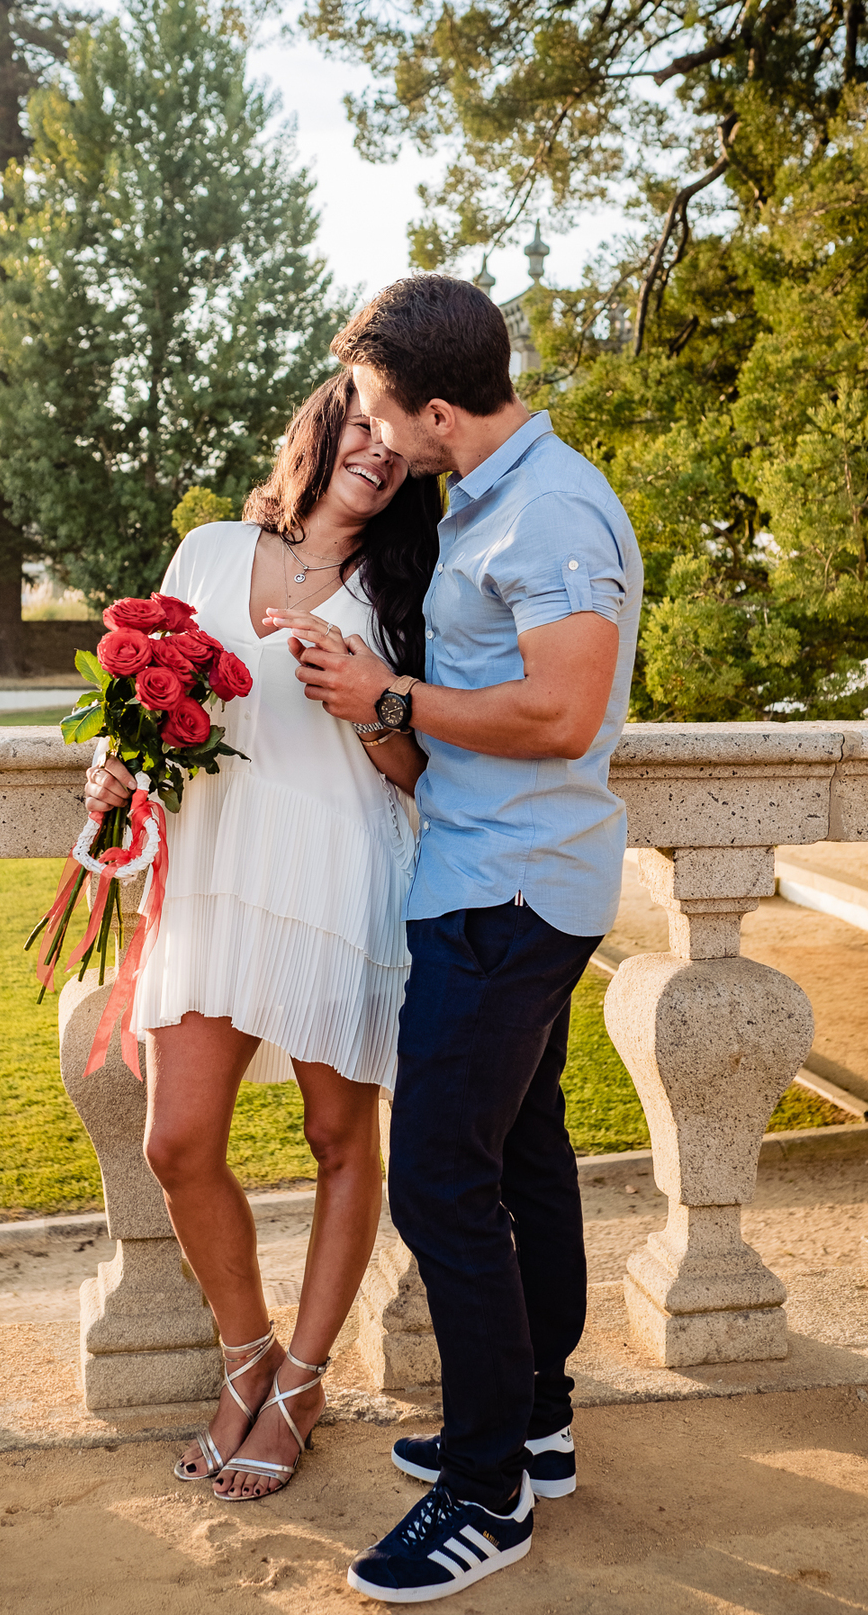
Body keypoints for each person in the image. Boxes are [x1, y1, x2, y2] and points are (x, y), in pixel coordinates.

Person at [267, 274, 643, 1602]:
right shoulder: (494, 495)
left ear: (434, 408)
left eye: (373, 403)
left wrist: (392, 690)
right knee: (523, 1154)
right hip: (499, 879)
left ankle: (487, 1494)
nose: (364, 426)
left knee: (436, 1180)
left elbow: (563, 712)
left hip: (511, 894)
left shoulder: (544, 510)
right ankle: (534, 1419)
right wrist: (378, 709)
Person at [83, 371, 441, 1504]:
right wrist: (117, 758)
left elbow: (422, 766)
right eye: (363, 426)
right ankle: (247, 1354)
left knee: (342, 1138)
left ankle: (302, 1382)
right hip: (217, 869)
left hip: (340, 866)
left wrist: (368, 696)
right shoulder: (207, 549)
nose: (379, 452)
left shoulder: (407, 588)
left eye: (399, 442)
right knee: (176, 1143)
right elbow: (147, 701)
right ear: (324, 428)